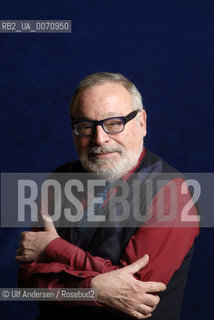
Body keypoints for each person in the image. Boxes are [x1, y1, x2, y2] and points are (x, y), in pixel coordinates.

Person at [16, 72, 199, 320]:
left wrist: (53, 248)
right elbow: (28, 280)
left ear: (142, 122)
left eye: (114, 123)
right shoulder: (60, 179)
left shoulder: (171, 194)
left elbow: (134, 292)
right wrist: (94, 290)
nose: (99, 139)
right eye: (85, 126)